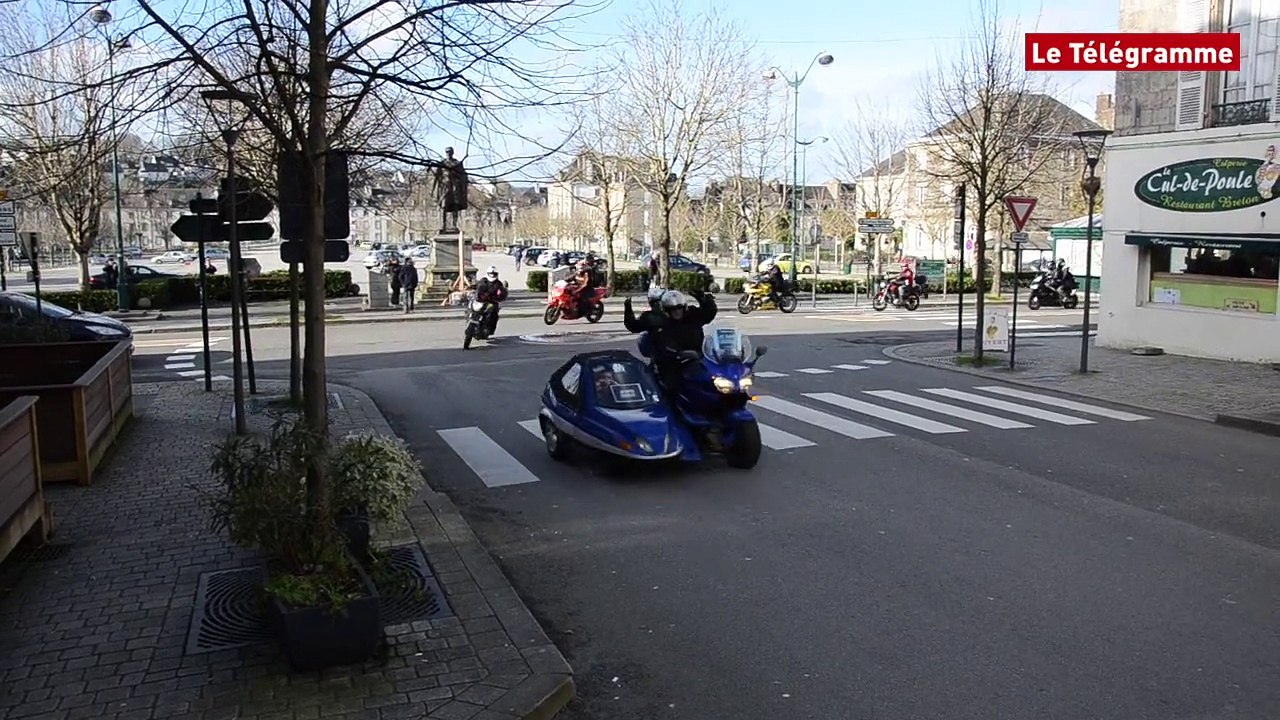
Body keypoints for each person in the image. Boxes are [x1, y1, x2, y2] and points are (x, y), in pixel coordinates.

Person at [623, 288, 718, 398]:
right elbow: (633, 326)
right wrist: (628, 308)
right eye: (673, 309)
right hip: (669, 363)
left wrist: (703, 299)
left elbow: (709, 312)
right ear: (665, 310)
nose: (677, 312)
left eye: (679, 308)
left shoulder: (692, 315)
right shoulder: (654, 319)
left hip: (696, 359)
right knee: (671, 389)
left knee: (713, 382)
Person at [475, 265, 508, 333]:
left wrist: (501, 295)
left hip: (492, 302)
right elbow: (477, 287)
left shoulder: (498, 284)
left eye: (494, 274)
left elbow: (501, 293)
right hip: (481, 300)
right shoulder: (483, 281)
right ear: (487, 273)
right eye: (491, 273)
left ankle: (488, 329)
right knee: (472, 307)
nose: (492, 275)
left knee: (493, 314)